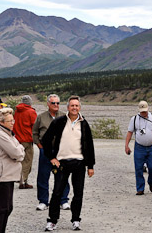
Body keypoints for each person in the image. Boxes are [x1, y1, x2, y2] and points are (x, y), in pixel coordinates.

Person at [42, 95, 95, 231]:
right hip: (61, 163)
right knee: (57, 192)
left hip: (79, 162)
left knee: (78, 194)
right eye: (72, 105)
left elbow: (89, 145)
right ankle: (52, 221)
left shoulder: (84, 123)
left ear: (80, 107)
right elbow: (46, 139)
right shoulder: (59, 122)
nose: (74, 108)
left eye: (77, 106)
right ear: (67, 107)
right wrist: (52, 157)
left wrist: (90, 166)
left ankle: (76, 220)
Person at [0, 107, 25, 233]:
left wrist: (19, 149)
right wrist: (20, 149)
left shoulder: (8, 134)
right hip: (1, 176)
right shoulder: (0, 135)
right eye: (10, 121)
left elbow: (18, 148)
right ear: (1, 122)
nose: (13, 123)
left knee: (7, 208)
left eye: (13, 120)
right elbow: (17, 153)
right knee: (1, 210)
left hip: (7, 176)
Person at [32, 94, 70, 211]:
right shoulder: (41, 117)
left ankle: (63, 200)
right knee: (43, 176)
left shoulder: (65, 116)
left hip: (60, 152)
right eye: (53, 103)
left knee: (62, 175)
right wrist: (40, 147)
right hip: (46, 151)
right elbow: (35, 133)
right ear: (48, 104)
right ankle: (43, 201)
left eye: (58, 103)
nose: (56, 105)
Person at [125, 100, 152, 195]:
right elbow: (130, 132)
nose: (143, 112)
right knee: (139, 168)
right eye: (142, 111)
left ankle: (151, 182)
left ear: (148, 109)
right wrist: (126, 145)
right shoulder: (134, 119)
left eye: (145, 111)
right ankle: (140, 188)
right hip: (139, 147)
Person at [13, 95, 37, 189]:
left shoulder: (17, 112)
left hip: (18, 140)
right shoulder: (31, 112)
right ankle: (22, 181)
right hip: (27, 139)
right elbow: (35, 127)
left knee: (20, 161)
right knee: (27, 161)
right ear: (30, 102)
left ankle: (23, 180)